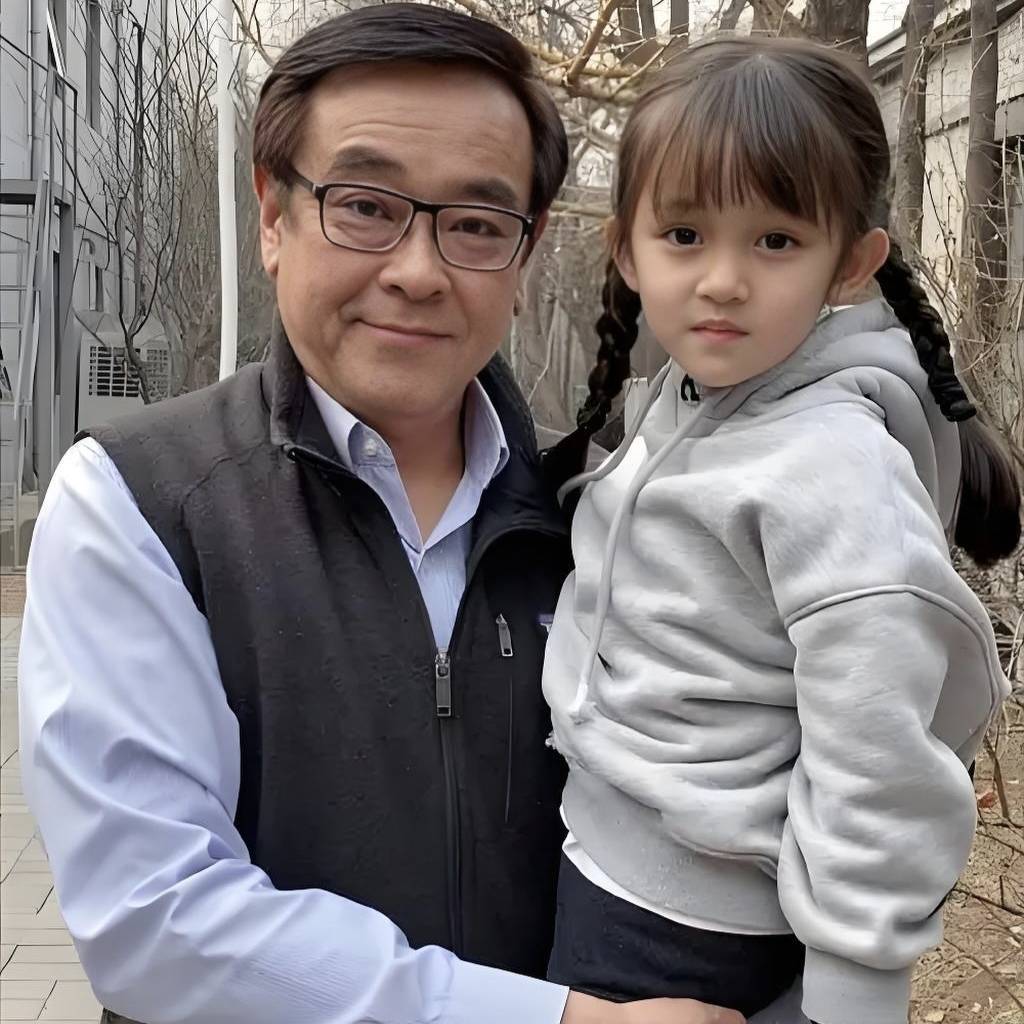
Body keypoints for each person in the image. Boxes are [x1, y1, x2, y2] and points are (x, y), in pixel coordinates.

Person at [18, 6, 745, 1024]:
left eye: (476, 225)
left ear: (527, 254)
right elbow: (156, 921)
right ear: (272, 218)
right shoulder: (143, 504)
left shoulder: (606, 515)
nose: (417, 270)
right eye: (364, 206)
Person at [542, 35, 1021, 1024]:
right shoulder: (692, 402)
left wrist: (851, 993)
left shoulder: (832, 466)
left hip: (687, 924)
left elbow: (876, 757)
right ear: (627, 249)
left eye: (774, 241)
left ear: (849, 264)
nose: (723, 279)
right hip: (617, 865)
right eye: (684, 234)